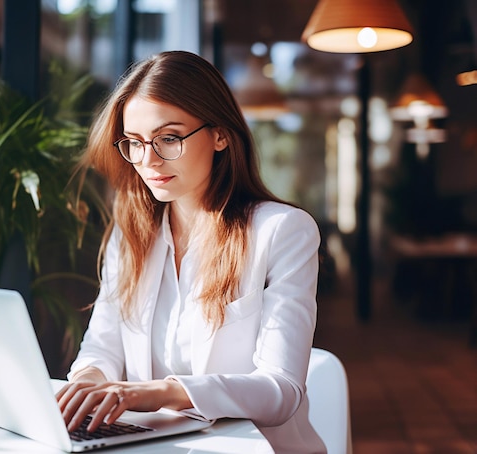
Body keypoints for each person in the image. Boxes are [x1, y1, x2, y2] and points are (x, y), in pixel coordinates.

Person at [56, 50, 326, 453]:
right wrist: (90, 384)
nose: (148, 161)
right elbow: (103, 347)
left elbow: (280, 390)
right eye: (134, 142)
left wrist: (163, 392)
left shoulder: (282, 231)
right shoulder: (131, 235)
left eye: (168, 138)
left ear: (220, 134)